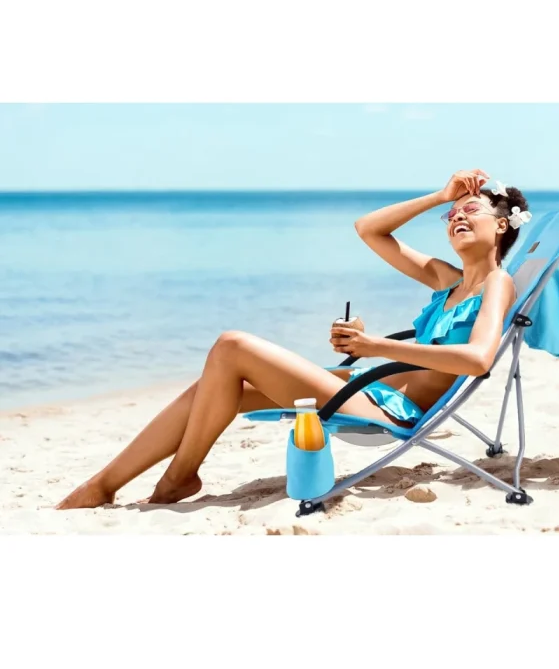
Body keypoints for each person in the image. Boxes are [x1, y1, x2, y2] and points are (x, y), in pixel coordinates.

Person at [56, 169, 531, 509]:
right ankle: (105, 484)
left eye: (469, 210)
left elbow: (477, 358)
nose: (455, 217)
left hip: (389, 409)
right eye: (450, 215)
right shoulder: (447, 280)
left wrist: (375, 347)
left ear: (501, 224)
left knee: (232, 345)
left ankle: (176, 477)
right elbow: (368, 229)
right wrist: (439, 194)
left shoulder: (497, 283)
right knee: (215, 386)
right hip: (366, 386)